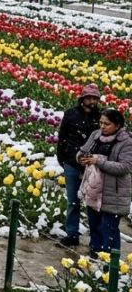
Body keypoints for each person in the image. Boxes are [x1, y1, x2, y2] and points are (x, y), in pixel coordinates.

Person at [77, 109, 132, 255]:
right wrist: (81, 158)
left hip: (113, 193)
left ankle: (110, 264)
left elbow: (125, 167)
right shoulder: (96, 135)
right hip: (94, 189)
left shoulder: (126, 142)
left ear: (118, 125)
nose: (102, 126)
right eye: (101, 123)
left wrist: (99, 161)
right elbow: (83, 150)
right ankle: (94, 254)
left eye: (107, 124)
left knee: (109, 229)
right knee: (94, 226)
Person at [56, 84, 103, 248]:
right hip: (71, 163)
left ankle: (96, 241)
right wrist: (62, 158)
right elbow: (62, 137)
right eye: (89, 98)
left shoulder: (101, 118)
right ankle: (72, 234)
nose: (92, 102)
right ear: (82, 99)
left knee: (93, 203)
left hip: (92, 165)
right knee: (73, 201)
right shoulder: (71, 114)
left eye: (95, 99)